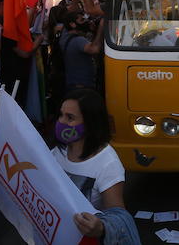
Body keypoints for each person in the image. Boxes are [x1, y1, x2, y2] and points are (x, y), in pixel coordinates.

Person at [51, 89, 141, 245]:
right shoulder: (57, 152)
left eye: (70, 117)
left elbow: (118, 215)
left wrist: (101, 228)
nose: (62, 122)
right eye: (61, 115)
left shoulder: (107, 163)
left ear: (89, 123)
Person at [59, 12, 105, 93]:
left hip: (72, 84)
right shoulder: (78, 41)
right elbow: (95, 49)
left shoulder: (65, 36)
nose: (86, 22)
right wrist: (100, 28)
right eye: (82, 20)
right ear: (72, 24)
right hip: (82, 86)